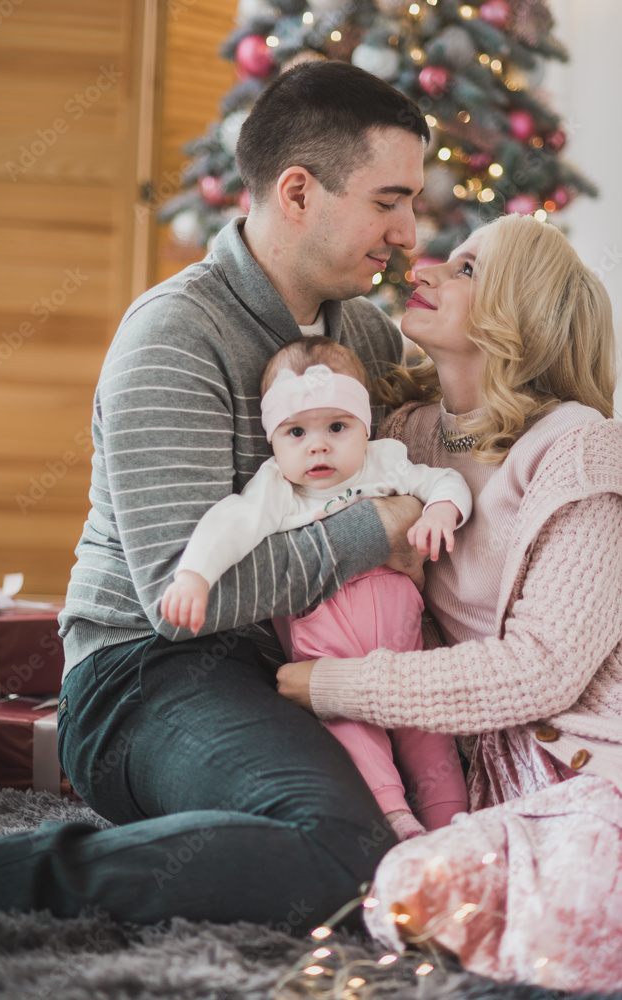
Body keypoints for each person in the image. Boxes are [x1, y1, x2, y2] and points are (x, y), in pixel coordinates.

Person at [0, 61, 432, 929]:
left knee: (433, 827)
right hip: (146, 674)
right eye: (389, 199)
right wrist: (379, 527)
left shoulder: (361, 330)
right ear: (297, 192)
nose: (408, 231)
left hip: (297, 664)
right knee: (348, 851)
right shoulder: (174, 336)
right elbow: (183, 603)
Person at [277, 212, 622, 989]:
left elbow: (543, 671)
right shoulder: (401, 436)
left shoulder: (578, 445)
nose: (425, 269)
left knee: (546, 898)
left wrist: (337, 685)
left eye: (466, 269)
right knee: (409, 888)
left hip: (597, 763)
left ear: (522, 314)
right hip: (485, 778)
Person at [161, 335, 472, 841]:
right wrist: (194, 576)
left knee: (430, 737)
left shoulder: (383, 461)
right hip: (330, 669)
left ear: (363, 427)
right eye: (296, 432)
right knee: (355, 739)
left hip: (408, 657)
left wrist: (440, 510)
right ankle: (397, 823)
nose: (318, 445)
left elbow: (444, 481)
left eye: (337, 427)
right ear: (274, 440)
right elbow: (229, 524)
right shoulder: (278, 490)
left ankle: (453, 824)